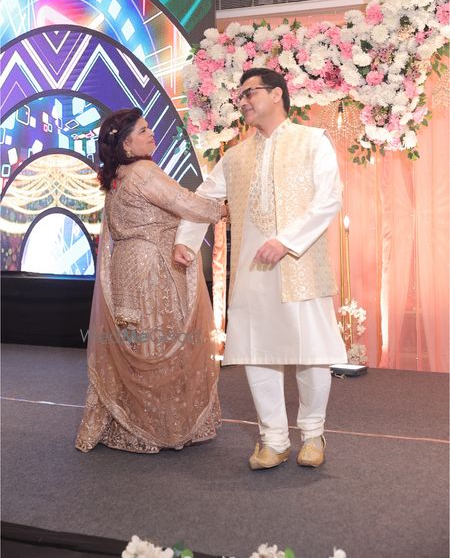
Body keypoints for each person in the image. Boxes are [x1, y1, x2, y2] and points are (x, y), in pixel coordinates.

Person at [174, 67, 347, 470]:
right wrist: (185, 239)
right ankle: (274, 440)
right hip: (253, 270)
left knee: (311, 353)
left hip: (301, 264)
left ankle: (313, 435)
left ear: (277, 94)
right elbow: (204, 199)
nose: (244, 102)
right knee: (258, 353)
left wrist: (287, 241)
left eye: (250, 93)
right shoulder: (235, 156)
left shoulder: (312, 141)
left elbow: (329, 198)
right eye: (241, 97)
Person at [76, 108, 226, 454]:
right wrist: (225, 211)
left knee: (136, 342)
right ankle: (157, 426)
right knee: (159, 341)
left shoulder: (119, 175)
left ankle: (129, 422)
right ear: (127, 145)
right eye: (143, 131)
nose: (151, 133)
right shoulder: (144, 171)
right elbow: (184, 203)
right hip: (151, 268)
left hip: (126, 266)